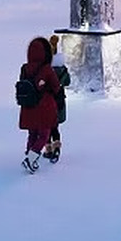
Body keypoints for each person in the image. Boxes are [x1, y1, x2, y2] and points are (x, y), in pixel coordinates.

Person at [18, 36, 61, 174]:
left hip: (28, 107)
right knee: (43, 134)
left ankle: (28, 154)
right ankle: (31, 159)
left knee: (32, 133)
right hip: (44, 107)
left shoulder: (24, 68)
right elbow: (56, 87)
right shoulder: (47, 69)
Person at [44, 34, 70, 162]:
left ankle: (48, 149)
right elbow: (67, 81)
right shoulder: (61, 68)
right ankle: (56, 147)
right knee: (55, 127)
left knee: (47, 126)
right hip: (59, 101)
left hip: (46, 102)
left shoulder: (45, 69)